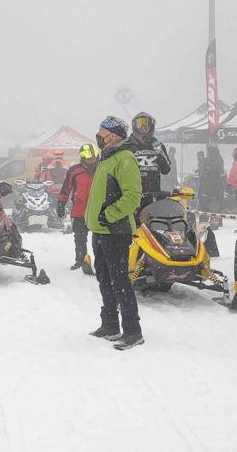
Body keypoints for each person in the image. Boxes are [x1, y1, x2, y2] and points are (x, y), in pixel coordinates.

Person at [85, 116, 144, 351]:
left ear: (114, 135)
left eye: (102, 133)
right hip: (100, 231)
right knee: (105, 280)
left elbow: (133, 196)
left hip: (115, 231)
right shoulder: (107, 158)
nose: (98, 137)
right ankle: (110, 325)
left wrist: (108, 215)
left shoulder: (125, 158)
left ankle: (132, 331)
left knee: (120, 282)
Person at [57, 143, 98, 273]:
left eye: (94, 159)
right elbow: (66, 188)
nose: (92, 162)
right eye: (89, 159)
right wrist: (61, 203)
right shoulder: (75, 171)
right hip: (79, 211)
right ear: (83, 158)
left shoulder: (102, 169)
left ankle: (101, 261)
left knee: (100, 240)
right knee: (80, 238)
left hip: (98, 211)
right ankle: (80, 260)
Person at [129, 112, 172, 212]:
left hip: (153, 196)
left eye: (146, 124)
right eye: (140, 124)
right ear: (135, 126)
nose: (143, 127)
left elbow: (166, 169)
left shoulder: (157, 145)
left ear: (151, 126)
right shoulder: (128, 145)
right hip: (132, 195)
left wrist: (159, 152)